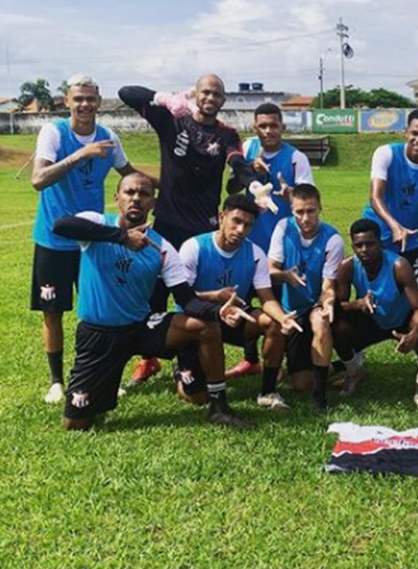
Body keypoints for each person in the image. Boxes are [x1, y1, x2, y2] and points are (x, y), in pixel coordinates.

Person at [50, 173, 249, 430]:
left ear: (152, 204)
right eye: (129, 192)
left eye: (144, 194)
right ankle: (99, 390)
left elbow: (186, 300)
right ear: (117, 198)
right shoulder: (97, 223)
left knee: (205, 326)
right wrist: (121, 237)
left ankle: (218, 406)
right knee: (76, 424)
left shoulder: (162, 247)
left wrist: (218, 311)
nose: (136, 198)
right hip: (99, 334)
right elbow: (61, 225)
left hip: (140, 328)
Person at [118, 74, 259, 386]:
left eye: (217, 94)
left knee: (199, 295)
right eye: (205, 92)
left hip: (203, 232)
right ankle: (149, 359)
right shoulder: (173, 121)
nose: (210, 98)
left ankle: (197, 352)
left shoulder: (227, 135)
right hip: (166, 225)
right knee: (155, 293)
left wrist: (256, 185)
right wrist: (165, 98)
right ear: (195, 94)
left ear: (223, 101)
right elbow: (126, 91)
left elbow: (237, 164)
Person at [31, 74, 142, 404]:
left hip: (95, 240)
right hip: (54, 239)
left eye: (90, 98)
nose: (84, 104)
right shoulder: (54, 132)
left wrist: (173, 188)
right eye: (78, 98)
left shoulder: (109, 137)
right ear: (67, 101)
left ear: (98, 101)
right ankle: (55, 381)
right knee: (53, 311)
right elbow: (38, 179)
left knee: (100, 312)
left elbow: (130, 175)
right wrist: (81, 154)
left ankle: (103, 375)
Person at [178, 194, 303, 412]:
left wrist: (282, 317)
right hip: (198, 321)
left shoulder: (255, 253)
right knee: (198, 397)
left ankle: (268, 391)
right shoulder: (194, 247)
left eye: (247, 225)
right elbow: (183, 296)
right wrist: (215, 297)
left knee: (272, 323)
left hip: (235, 317)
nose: (240, 230)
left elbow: (266, 297)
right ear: (221, 217)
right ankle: (183, 371)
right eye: (236, 221)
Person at [223, 102, 315, 379]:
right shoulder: (249, 148)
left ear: (282, 126)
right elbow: (231, 187)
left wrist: (288, 193)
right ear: (255, 127)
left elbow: (307, 198)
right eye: (263, 126)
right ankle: (250, 358)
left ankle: (279, 359)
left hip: (280, 243)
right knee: (243, 300)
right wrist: (250, 170)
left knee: (274, 301)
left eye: (274, 125)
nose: (268, 131)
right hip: (247, 239)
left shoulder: (297, 157)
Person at [332, 219, 418, 406]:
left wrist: (414, 334)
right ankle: (355, 372)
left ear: (380, 243)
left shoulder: (399, 266)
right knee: (336, 325)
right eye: (358, 245)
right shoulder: (348, 267)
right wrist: (358, 303)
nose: (364, 249)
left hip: (402, 320)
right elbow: (336, 306)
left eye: (369, 244)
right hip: (372, 320)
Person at [268, 184, 344, 411]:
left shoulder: (333, 240)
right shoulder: (283, 228)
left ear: (320, 208)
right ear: (292, 211)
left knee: (320, 320)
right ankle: (338, 366)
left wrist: (327, 301)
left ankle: (320, 399)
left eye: (311, 211)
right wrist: (284, 276)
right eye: (299, 212)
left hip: (313, 305)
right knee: (300, 384)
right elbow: (270, 270)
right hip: (289, 308)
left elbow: (328, 286)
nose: (305, 217)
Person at [361, 108, 418, 292]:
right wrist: (394, 227)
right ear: (406, 132)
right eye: (414, 133)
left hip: (408, 240)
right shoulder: (386, 153)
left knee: (416, 295)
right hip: (375, 236)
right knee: (373, 294)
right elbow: (375, 196)